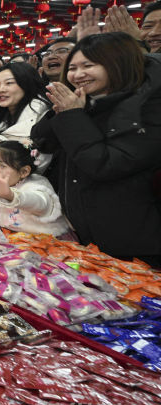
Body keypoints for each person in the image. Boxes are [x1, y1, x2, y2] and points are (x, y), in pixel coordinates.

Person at [32, 32, 161, 264]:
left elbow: (104, 164)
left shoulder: (146, 109)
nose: (78, 74)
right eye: (72, 68)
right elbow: (43, 140)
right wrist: (62, 110)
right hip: (88, 237)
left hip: (136, 243)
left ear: (118, 63)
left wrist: (72, 115)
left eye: (88, 66)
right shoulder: (86, 103)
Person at [0, 63, 51, 171]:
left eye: (9, 83)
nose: (1, 89)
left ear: (27, 83)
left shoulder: (43, 117)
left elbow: (35, 163)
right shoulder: (0, 118)